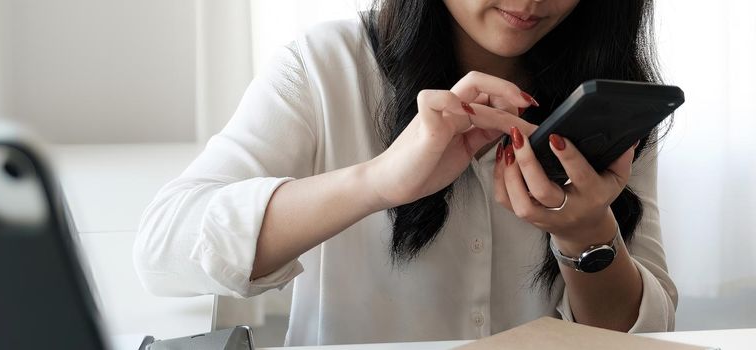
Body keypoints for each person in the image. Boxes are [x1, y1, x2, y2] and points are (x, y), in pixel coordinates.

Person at [134, 0, 677, 346]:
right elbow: (163, 252)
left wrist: (587, 238)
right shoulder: (324, 66)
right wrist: (377, 182)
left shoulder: (606, 96)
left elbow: (646, 335)